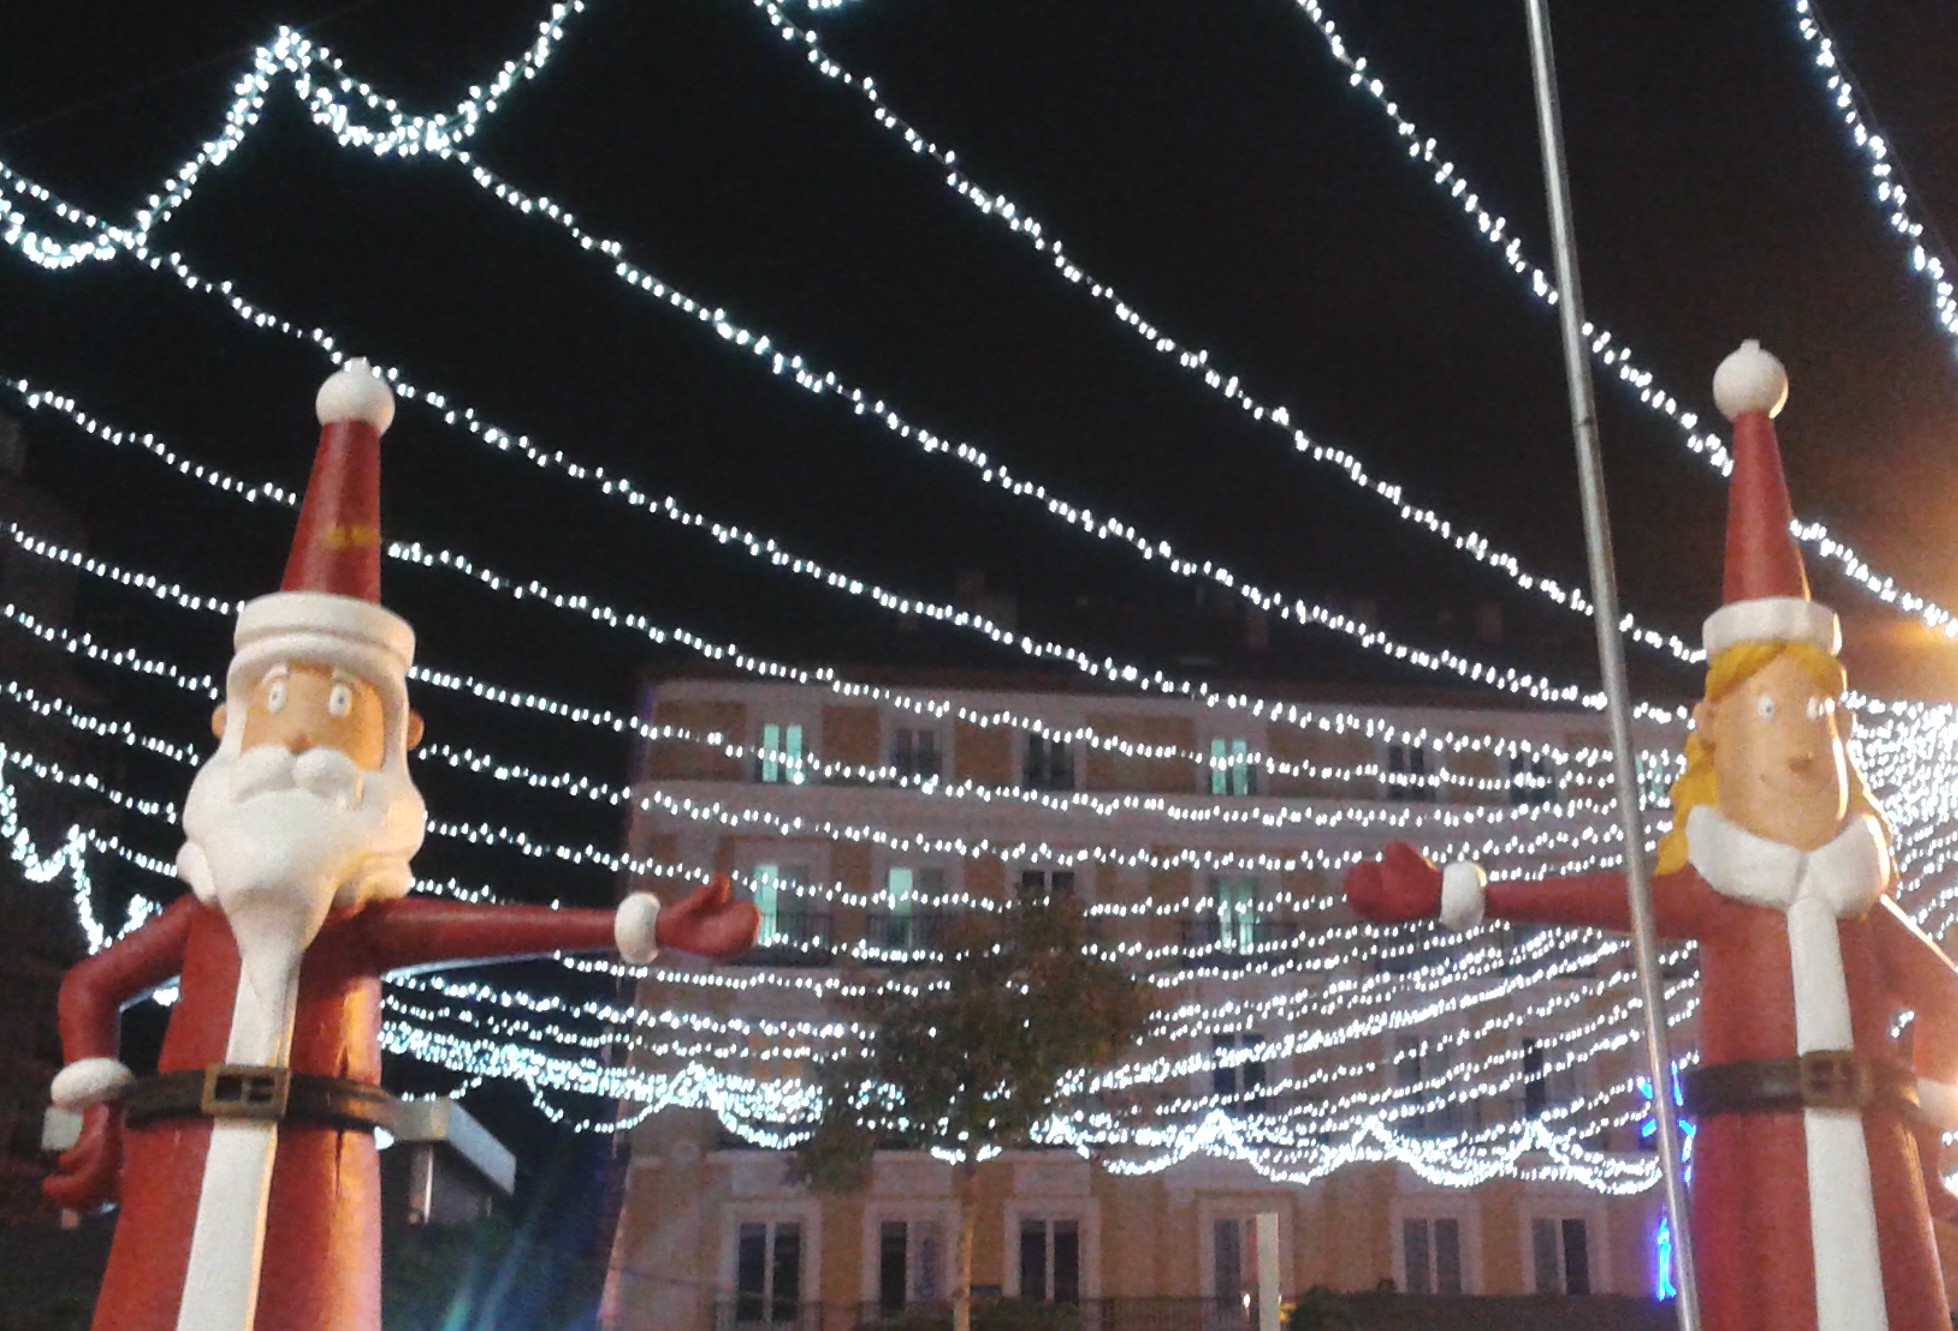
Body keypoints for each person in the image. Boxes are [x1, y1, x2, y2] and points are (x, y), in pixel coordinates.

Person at [41, 361, 759, 1331]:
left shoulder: (356, 917)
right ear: (232, 722)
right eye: (281, 707)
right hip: (183, 1160)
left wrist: (638, 923)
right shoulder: (206, 908)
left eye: (337, 709)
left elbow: (470, 927)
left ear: (390, 743)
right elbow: (90, 985)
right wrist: (98, 1104)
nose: (299, 744)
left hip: (315, 1169)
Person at [1345, 343, 1958, 1331]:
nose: (1798, 750)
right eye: (1769, 718)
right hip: (1752, 1146)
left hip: (1875, 1148)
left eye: (1814, 721)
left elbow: (1942, 994)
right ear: (1719, 737)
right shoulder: (1713, 889)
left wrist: (1926, 1126)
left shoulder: (1858, 897)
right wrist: (1464, 890)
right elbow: (1605, 897)